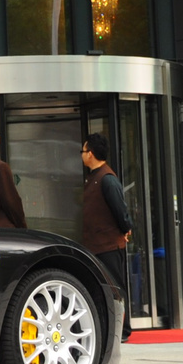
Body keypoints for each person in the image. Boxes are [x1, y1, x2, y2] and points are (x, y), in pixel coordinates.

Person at [80, 133, 132, 340]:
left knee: (115, 289)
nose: (82, 155)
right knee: (104, 288)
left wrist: (126, 228)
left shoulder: (107, 179)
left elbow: (121, 210)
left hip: (109, 245)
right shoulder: (93, 177)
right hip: (96, 245)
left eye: (83, 151)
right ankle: (109, 328)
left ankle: (124, 330)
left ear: (90, 154)